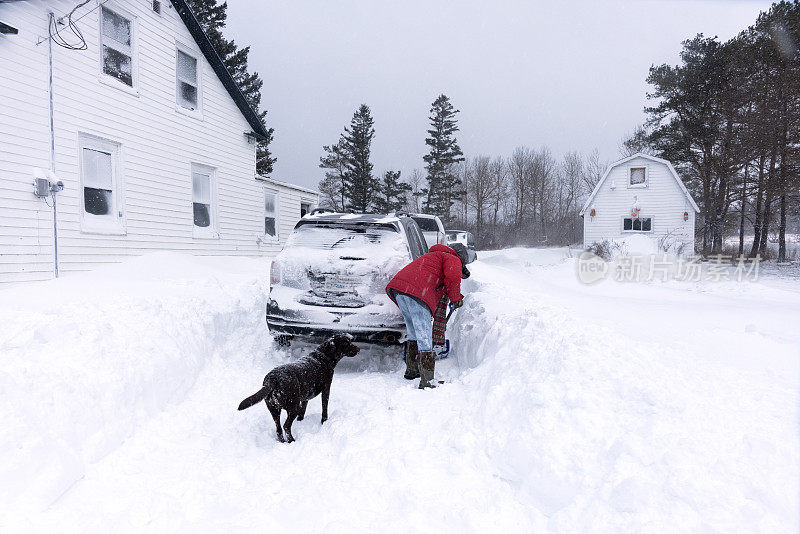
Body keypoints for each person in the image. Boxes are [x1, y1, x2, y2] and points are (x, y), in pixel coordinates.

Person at [385, 244, 470, 389]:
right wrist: (456, 299)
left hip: (399, 290)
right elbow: (453, 278)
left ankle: (412, 371)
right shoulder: (452, 258)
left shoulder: (435, 256)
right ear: (461, 257)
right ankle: (427, 380)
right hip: (417, 293)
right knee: (424, 335)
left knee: (413, 332)